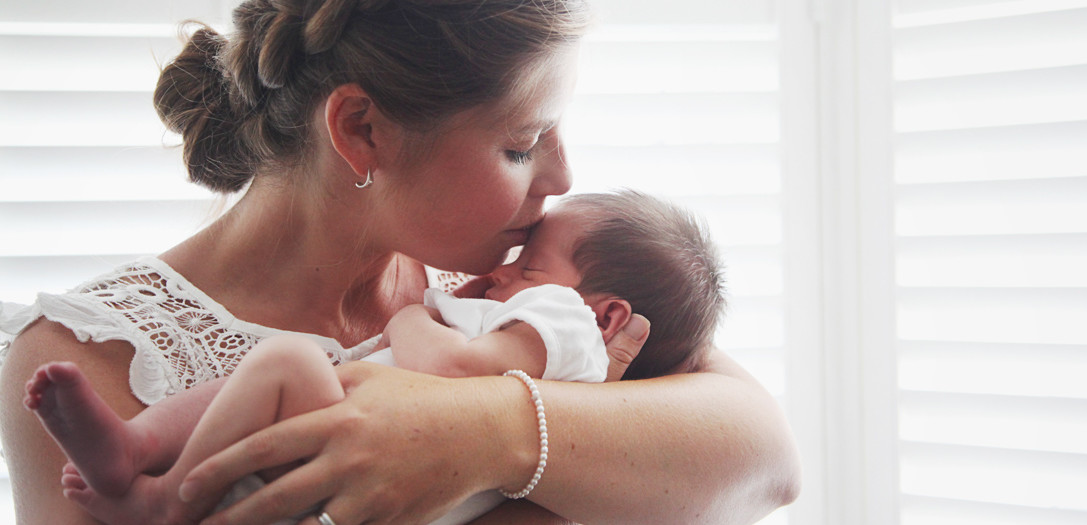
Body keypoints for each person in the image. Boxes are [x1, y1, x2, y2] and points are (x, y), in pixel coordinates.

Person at [0, 0, 801, 523]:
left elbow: (766, 456)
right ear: (362, 130)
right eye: (521, 143)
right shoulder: (88, 352)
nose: (562, 179)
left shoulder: (507, 284)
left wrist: (483, 428)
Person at [23, 190, 728, 524]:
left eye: (531, 263)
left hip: (352, 466)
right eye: (518, 142)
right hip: (340, 474)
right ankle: (138, 447)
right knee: (286, 373)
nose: (507, 269)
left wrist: (413, 313)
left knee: (290, 364)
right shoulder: (553, 325)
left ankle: (164, 488)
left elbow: (448, 368)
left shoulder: (565, 325)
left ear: (603, 313)